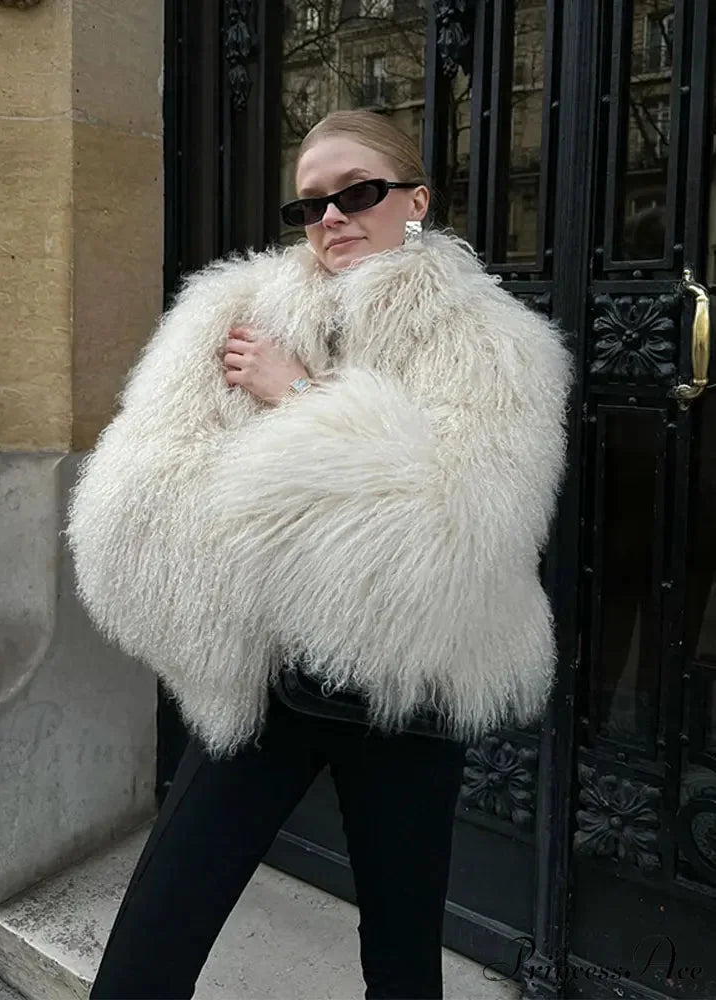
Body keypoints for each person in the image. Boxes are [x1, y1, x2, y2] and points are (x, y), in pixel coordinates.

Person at [67, 109, 572, 999]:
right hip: (262, 673)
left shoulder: (498, 346)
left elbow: (456, 532)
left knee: (403, 951)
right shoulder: (236, 312)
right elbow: (150, 489)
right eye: (311, 205)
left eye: (359, 193)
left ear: (416, 202)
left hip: (413, 681)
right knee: (156, 934)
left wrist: (300, 397)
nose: (332, 217)